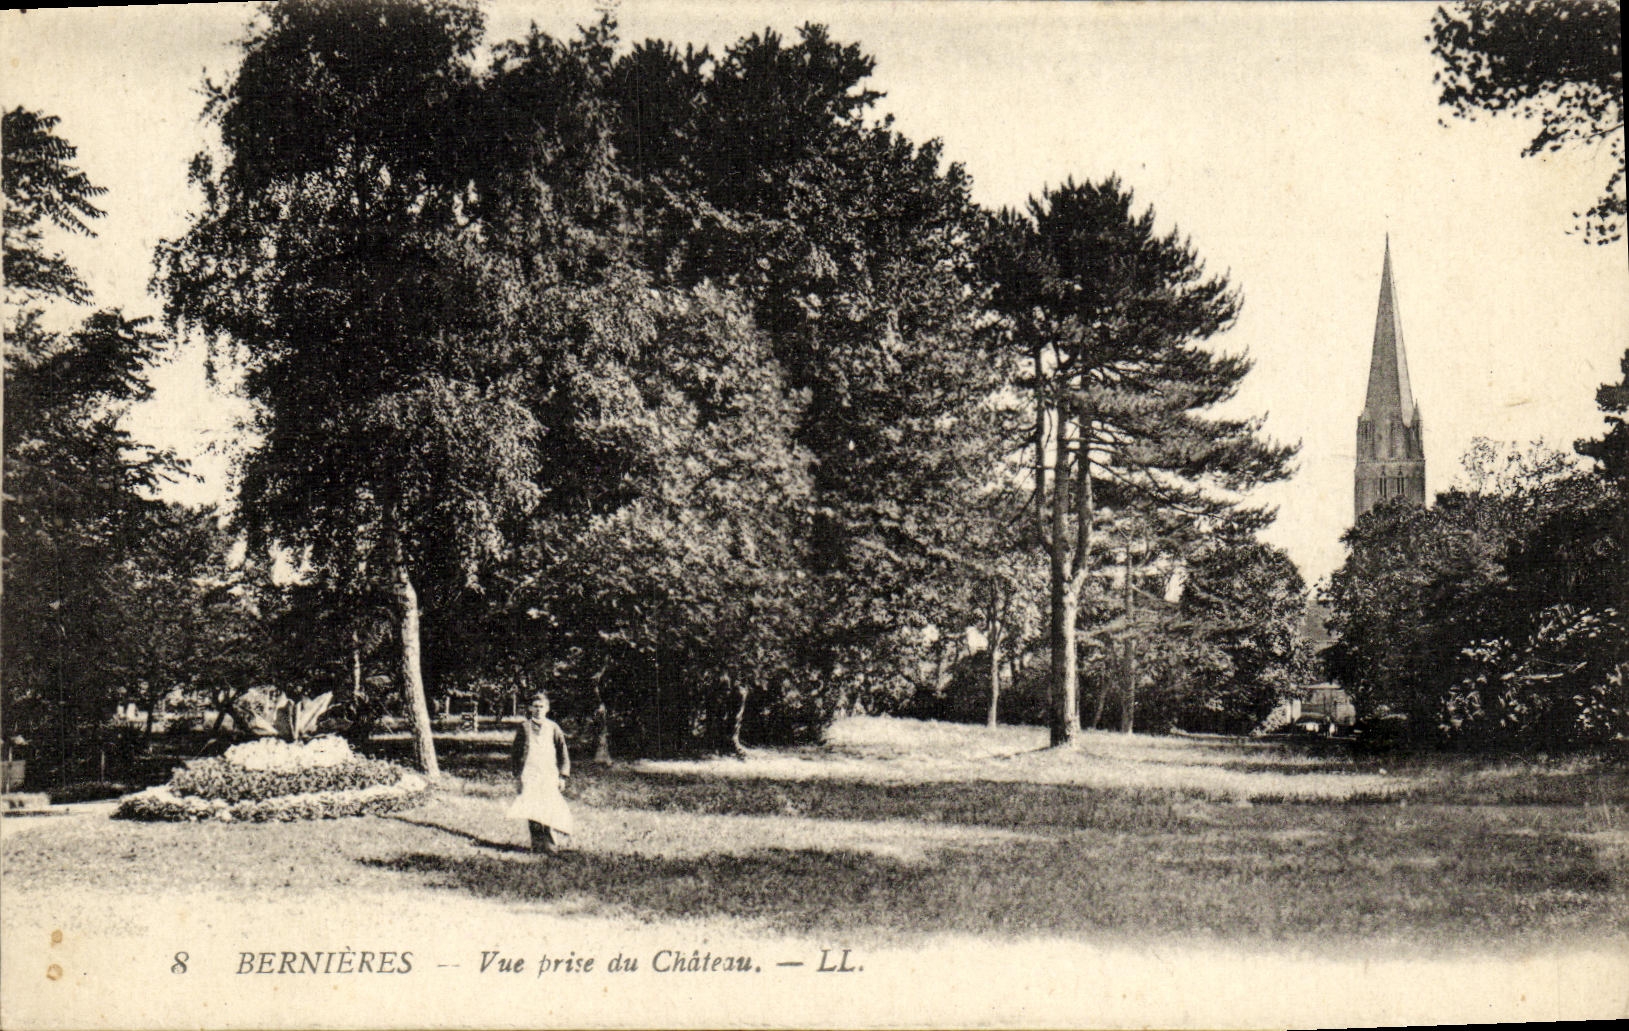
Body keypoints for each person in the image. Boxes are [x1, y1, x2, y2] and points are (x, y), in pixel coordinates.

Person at [506, 691, 574, 854]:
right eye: (535, 706)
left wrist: (562, 776)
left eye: (541, 706)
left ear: (547, 708)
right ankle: (537, 844)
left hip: (548, 773)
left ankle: (550, 844)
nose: (538, 710)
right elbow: (516, 753)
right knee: (532, 807)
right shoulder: (524, 727)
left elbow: (563, 752)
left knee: (548, 805)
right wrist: (517, 776)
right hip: (530, 773)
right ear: (530, 708)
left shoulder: (553, 727)